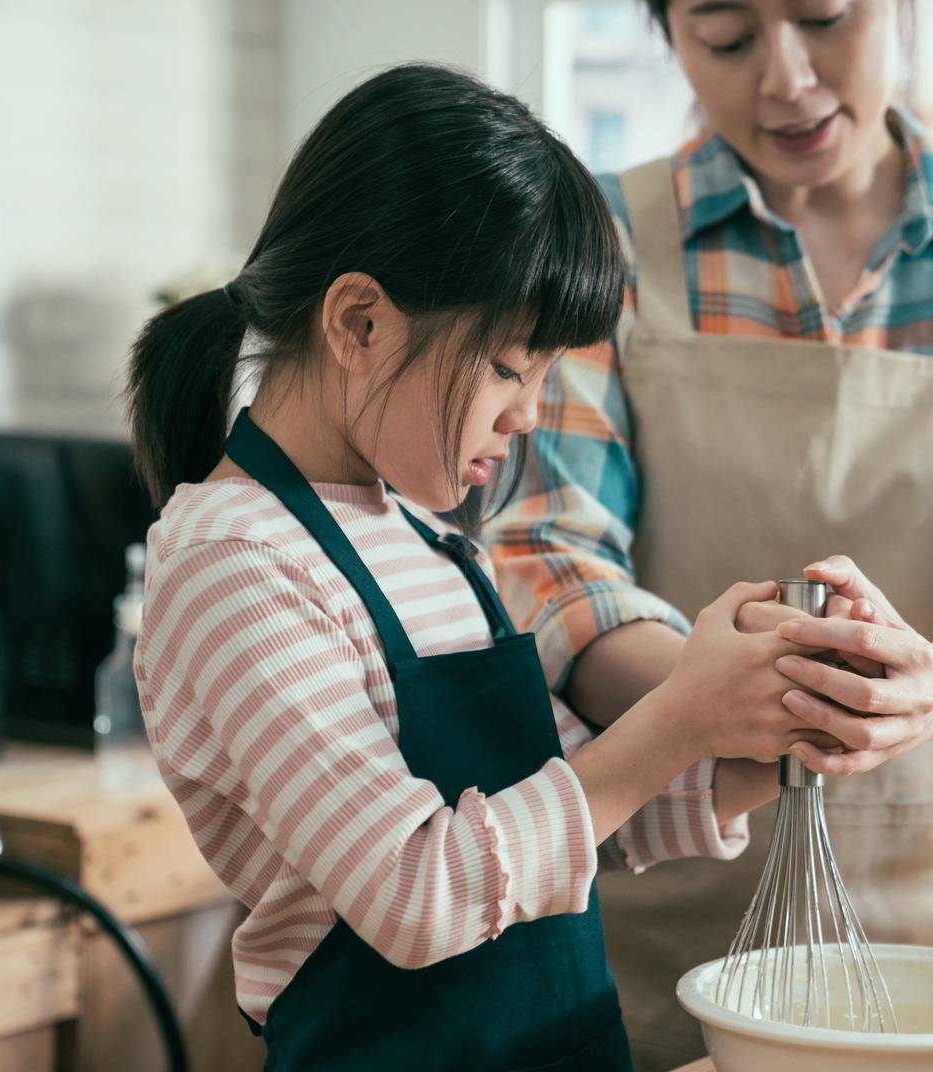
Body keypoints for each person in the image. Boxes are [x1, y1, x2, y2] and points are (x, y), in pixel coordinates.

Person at [126, 63, 834, 1072]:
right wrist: (682, 711)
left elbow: (583, 809)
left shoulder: (425, 536)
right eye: (508, 366)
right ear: (359, 322)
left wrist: (785, 720)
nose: (527, 413)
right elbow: (416, 891)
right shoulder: (234, 565)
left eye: (546, 375)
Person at [487, 2, 933, 1066]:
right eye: (727, 38)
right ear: (669, 36)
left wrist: (923, 691)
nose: (784, 78)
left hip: (912, 964)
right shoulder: (601, 240)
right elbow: (548, 560)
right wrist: (725, 700)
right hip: (631, 948)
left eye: (824, 17)